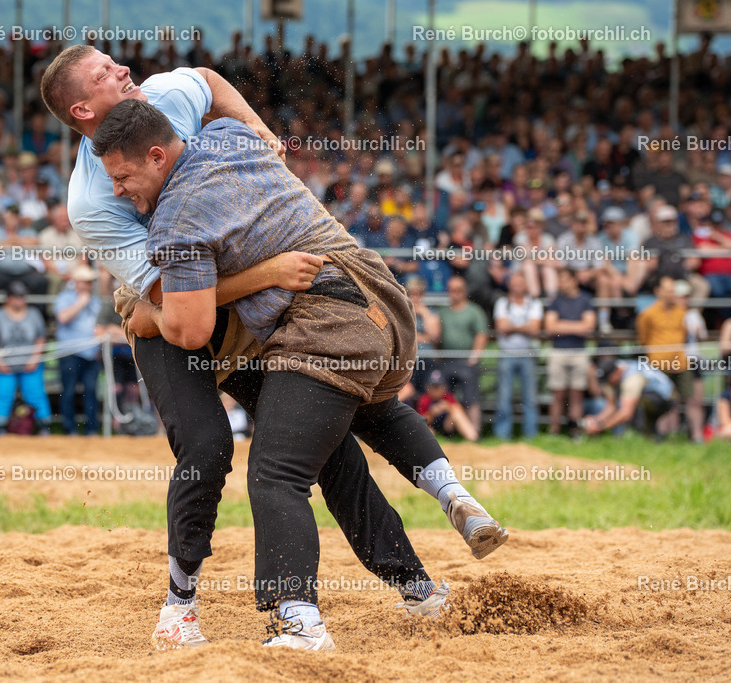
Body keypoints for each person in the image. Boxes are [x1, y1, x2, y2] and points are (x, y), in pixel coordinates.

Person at [43, 46, 503, 650]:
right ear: (82, 108)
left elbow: (207, 80)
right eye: (106, 73)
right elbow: (178, 314)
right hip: (183, 306)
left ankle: (391, 593)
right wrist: (266, 271)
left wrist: (260, 128)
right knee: (208, 448)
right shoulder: (95, 197)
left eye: (129, 180)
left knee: (309, 452)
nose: (123, 71)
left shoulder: (165, 107)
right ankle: (182, 599)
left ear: (157, 153)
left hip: (269, 305)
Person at [635, 276, 703, 442]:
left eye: (673, 290)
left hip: (681, 363)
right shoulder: (647, 315)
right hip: (658, 366)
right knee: (664, 403)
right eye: (668, 290)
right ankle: (662, 437)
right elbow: (643, 339)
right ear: (658, 291)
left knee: (692, 400)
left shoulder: (682, 313)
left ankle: (697, 437)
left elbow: (689, 334)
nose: (672, 293)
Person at [0, 281, 51, 436]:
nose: (20, 300)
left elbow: (40, 338)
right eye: (16, 297)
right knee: (2, 394)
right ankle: (0, 427)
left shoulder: (34, 314)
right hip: (5, 365)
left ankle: (44, 426)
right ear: (8, 298)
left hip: (30, 364)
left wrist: (34, 359)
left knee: (35, 393)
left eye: (22, 296)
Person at [544, 268, 596, 435]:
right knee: (557, 394)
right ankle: (554, 430)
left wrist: (562, 325)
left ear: (574, 280)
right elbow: (550, 327)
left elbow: (588, 326)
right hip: (558, 352)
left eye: (564, 279)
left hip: (579, 352)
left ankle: (575, 431)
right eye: (559, 280)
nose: (561, 284)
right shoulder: (555, 301)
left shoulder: (586, 300)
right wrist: (577, 326)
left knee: (577, 394)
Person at [492, 271, 543, 439]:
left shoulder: (534, 303)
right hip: (506, 354)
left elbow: (535, 329)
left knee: (530, 398)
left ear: (526, 285)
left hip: (528, 355)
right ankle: (502, 436)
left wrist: (512, 326)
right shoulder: (502, 302)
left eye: (520, 283)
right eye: (514, 283)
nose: (517, 286)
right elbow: (501, 327)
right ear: (509, 285)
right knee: (504, 398)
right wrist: (524, 327)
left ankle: (530, 436)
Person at [54, 265, 102, 435]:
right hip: (69, 353)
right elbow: (62, 318)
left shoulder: (96, 301)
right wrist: (81, 302)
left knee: (91, 391)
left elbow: (100, 327)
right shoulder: (65, 298)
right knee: (68, 391)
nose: (89, 285)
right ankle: (70, 429)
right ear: (76, 282)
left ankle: (92, 429)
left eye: (91, 282)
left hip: (92, 353)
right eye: (86, 282)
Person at [438, 275, 488, 434]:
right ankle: (446, 431)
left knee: (471, 398)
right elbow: (436, 336)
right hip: (446, 360)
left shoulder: (474, 311)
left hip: (466, 361)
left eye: (458, 290)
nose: (454, 293)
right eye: (451, 290)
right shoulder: (443, 312)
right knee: (445, 397)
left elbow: (481, 334)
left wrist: (474, 357)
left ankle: (474, 431)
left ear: (464, 291)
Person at [585, 359, 676, 439]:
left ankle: (644, 436)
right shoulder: (617, 368)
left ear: (616, 372)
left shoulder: (632, 378)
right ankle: (648, 438)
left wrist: (600, 427)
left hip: (665, 399)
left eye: (608, 379)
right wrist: (596, 420)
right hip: (649, 398)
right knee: (630, 402)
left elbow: (626, 413)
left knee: (635, 405)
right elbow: (611, 406)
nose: (607, 383)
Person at [417, 369, 479, 441]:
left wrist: (447, 407)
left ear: (444, 387)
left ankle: (473, 438)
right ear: (427, 387)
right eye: (433, 387)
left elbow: (460, 412)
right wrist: (431, 413)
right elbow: (419, 422)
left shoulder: (447, 397)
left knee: (456, 412)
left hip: (447, 426)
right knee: (428, 431)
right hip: (431, 427)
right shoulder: (424, 399)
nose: (435, 391)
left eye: (438, 387)